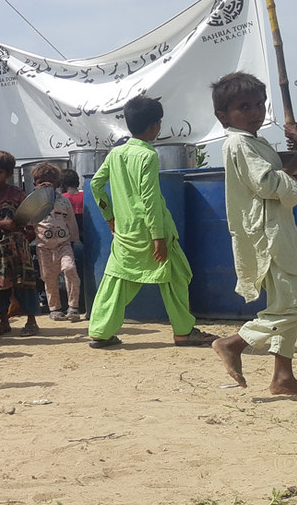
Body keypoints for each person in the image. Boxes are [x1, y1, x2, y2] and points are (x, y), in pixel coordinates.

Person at [210, 73, 297, 394]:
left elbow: (273, 176)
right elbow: (268, 183)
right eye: (243, 106)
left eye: (260, 104)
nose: (255, 111)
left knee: (283, 302)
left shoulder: (255, 142)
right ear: (223, 116)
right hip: (268, 234)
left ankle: (283, 377)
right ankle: (234, 343)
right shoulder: (239, 143)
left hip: (277, 229)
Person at [87, 96, 217, 349]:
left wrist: (110, 218)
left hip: (124, 232)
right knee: (176, 276)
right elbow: (150, 200)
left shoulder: (116, 154)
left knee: (116, 280)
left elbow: (95, 184)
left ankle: (100, 332)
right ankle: (183, 331)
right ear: (155, 126)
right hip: (151, 231)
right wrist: (158, 237)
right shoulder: (148, 156)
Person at [0, 151, 40, 337]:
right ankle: (4, 321)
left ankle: (31, 321)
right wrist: (0, 224)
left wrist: (15, 227)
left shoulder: (17, 194)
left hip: (17, 247)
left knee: (24, 284)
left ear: (7, 173)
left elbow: (27, 221)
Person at [31, 163, 82, 322]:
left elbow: (71, 221)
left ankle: (73, 307)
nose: (45, 184)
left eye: (49, 181)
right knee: (48, 276)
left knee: (70, 269)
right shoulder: (33, 203)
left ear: (58, 183)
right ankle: (55, 308)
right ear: (35, 184)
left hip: (63, 244)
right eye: (41, 181)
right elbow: (27, 222)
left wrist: (75, 239)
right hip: (43, 247)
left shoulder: (64, 202)